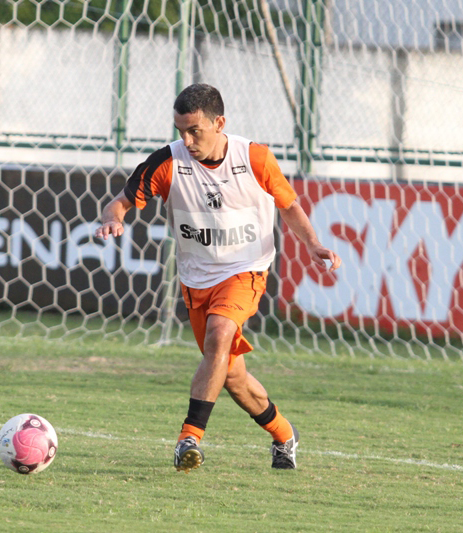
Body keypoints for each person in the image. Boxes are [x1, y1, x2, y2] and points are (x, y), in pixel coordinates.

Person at [94, 83, 341, 471]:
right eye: (180, 131)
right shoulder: (167, 163)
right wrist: (113, 220)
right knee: (231, 376)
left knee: (220, 333)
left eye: (195, 131)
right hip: (196, 282)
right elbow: (119, 203)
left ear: (219, 123)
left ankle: (188, 437)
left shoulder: (255, 158)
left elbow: (289, 205)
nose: (187, 140)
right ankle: (283, 434)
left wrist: (312, 244)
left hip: (246, 271)